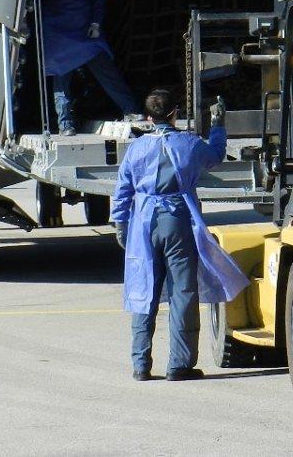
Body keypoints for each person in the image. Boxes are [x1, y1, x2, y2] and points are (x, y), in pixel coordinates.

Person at [111, 90, 249, 381]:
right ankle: (179, 364)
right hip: (177, 219)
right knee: (183, 290)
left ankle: (140, 365)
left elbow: (122, 189)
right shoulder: (188, 144)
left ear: (148, 118)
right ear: (174, 113)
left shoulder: (136, 149)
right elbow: (215, 155)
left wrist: (120, 224)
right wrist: (218, 124)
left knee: (144, 287)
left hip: (143, 222)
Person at [39, 0, 138, 134]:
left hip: (86, 33)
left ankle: (131, 110)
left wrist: (95, 23)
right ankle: (66, 123)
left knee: (106, 71)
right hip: (58, 33)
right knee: (61, 78)